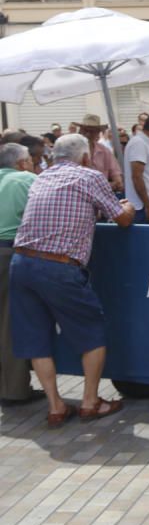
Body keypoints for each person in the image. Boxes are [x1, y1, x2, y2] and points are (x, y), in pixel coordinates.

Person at [9, 134, 135, 427]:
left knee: (35, 338)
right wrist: (127, 207)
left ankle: (55, 406)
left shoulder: (39, 177)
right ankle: (91, 402)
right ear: (86, 157)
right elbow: (123, 219)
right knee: (91, 332)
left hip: (22, 262)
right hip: (59, 266)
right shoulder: (89, 176)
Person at [0, 144, 41, 405]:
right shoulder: (27, 179)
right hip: (10, 253)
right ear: (22, 163)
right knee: (9, 323)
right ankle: (14, 390)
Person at [76, 114, 124, 192]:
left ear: (98, 132)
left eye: (92, 131)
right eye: (85, 130)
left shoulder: (104, 151)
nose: (88, 133)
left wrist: (117, 183)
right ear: (80, 131)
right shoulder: (72, 150)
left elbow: (117, 178)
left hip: (101, 195)